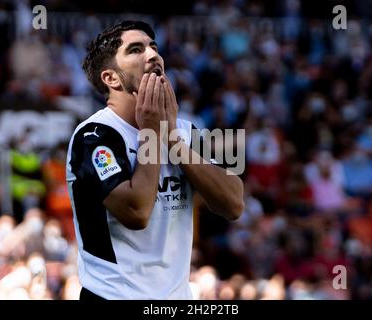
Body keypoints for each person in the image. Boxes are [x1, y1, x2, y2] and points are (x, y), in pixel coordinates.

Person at [66, 20, 244, 300]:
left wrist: (171, 136)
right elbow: (137, 212)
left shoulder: (186, 131)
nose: (153, 55)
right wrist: (151, 132)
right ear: (111, 78)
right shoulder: (93, 136)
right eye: (136, 49)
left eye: (153, 47)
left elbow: (233, 204)